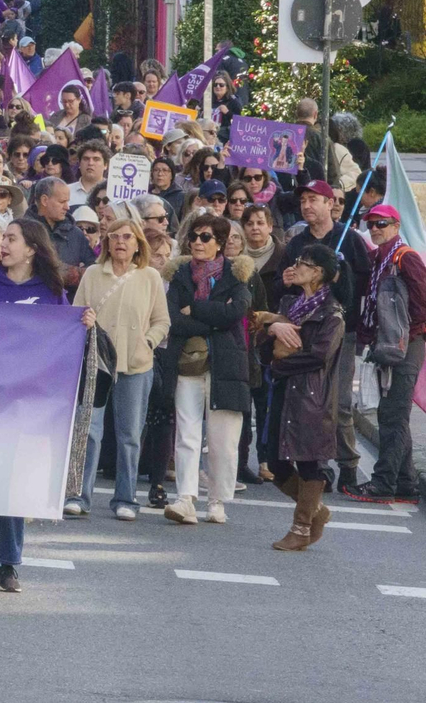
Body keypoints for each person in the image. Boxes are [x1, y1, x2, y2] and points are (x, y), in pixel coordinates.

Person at [0, 219, 94, 590]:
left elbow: (64, 340)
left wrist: (83, 322)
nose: (2, 244)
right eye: (2, 238)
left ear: (32, 249)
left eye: (11, 239)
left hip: (30, 406)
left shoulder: (51, 293)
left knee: (16, 483)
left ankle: (8, 563)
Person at [69, 219, 170, 520]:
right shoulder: (92, 274)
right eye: (114, 237)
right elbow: (76, 312)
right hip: (97, 363)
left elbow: (162, 321)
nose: (120, 242)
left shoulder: (150, 276)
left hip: (137, 363)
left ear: (139, 243)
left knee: (129, 434)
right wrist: (84, 321)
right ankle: (78, 494)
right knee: (89, 430)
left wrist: (147, 342)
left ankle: (126, 498)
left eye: (127, 237)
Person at [280, 181, 369, 495]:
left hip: (338, 331)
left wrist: (338, 279)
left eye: (313, 199)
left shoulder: (351, 240)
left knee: (339, 401)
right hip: (303, 330)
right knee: (309, 402)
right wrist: (287, 280)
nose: (307, 205)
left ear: (330, 203)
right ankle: (316, 465)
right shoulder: (295, 243)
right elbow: (285, 289)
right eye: (303, 200)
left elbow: (364, 285)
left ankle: (348, 464)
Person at [163, 213, 252, 526]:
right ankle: (185, 497)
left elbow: (237, 312)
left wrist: (197, 309)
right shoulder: (180, 275)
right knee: (186, 434)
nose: (197, 243)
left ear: (220, 243)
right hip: (187, 362)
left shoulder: (236, 275)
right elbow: (175, 318)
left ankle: (217, 500)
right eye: (194, 237)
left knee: (223, 439)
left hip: (226, 364)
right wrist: (215, 317)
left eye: (205, 237)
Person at [258, 244, 345, 550]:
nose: (295, 267)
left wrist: (279, 365)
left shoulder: (331, 314)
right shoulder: (288, 302)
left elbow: (319, 356)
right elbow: (263, 342)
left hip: (311, 397)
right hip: (283, 390)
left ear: (318, 273)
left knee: (309, 462)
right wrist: (272, 330)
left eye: (302, 263)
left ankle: (301, 527)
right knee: (275, 460)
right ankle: (316, 511)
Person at [349, 204, 426, 501]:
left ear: (396, 225)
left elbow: (422, 302)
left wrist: (408, 335)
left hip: (406, 344)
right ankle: (406, 484)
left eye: (382, 224)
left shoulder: (406, 258)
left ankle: (382, 483)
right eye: (371, 225)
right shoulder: (376, 258)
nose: (375, 229)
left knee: (393, 415)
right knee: (391, 414)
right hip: (385, 344)